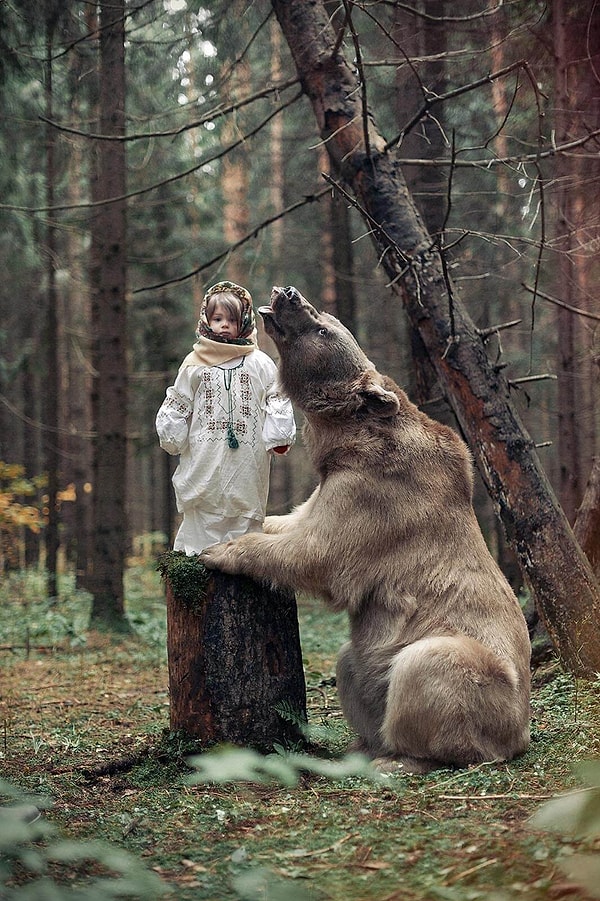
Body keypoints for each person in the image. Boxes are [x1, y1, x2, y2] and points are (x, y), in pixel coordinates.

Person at [156, 281, 296, 555]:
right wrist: (172, 434)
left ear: (243, 321)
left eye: (231, 320)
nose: (223, 325)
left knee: (244, 507)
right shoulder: (193, 363)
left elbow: (276, 397)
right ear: (207, 321)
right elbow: (178, 401)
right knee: (203, 503)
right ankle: (198, 559)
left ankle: (242, 559)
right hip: (203, 453)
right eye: (217, 319)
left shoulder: (260, 362)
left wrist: (278, 436)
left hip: (247, 455)